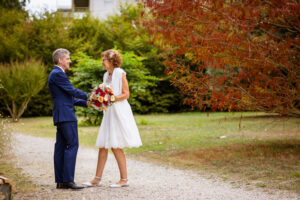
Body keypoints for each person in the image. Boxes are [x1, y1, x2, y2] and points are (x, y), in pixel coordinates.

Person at [83, 49, 142, 188]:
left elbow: (126, 94)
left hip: (119, 111)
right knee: (103, 145)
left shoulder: (119, 73)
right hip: (109, 112)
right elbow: (105, 93)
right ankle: (97, 178)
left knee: (115, 145)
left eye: (104, 59)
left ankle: (124, 179)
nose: (102, 62)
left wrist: (111, 98)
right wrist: (98, 100)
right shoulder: (105, 75)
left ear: (111, 61)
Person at [48, 48, 89, 190]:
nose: (70, 61)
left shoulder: (56, 74)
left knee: (60, 147)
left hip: (61, 115)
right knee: (72, 145)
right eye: (68, 58)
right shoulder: (58, 74)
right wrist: (92, 96)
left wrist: (86, 103)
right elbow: (72, 91)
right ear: (60, 60)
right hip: (66, 116)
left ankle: (61, 181)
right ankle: (68, 181)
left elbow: (67, 97)